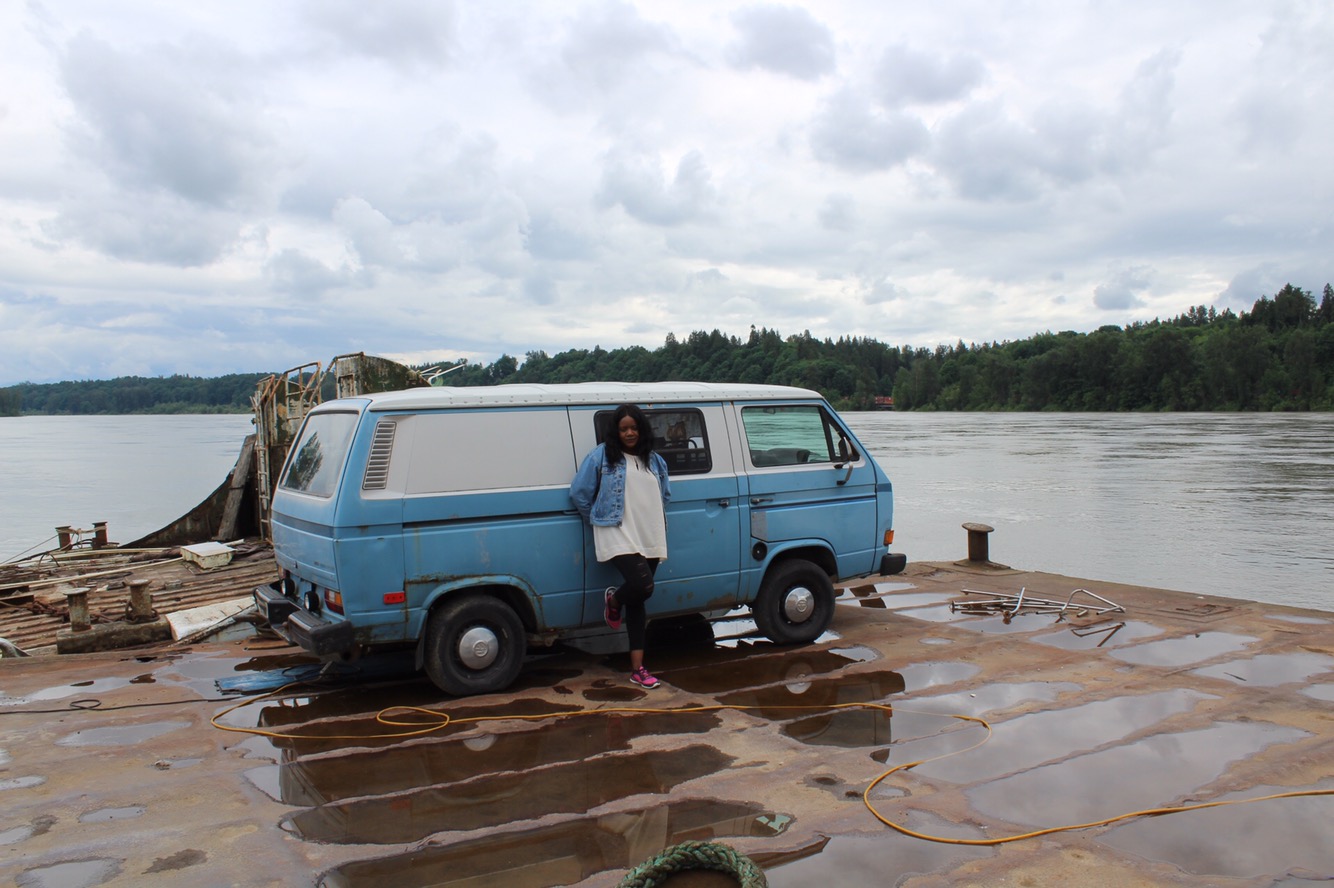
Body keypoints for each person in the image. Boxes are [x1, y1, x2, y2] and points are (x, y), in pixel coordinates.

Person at [570, 404, 671, 689]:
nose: (629, 433)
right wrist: (597, 518)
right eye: (623, 428)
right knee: (643, 586)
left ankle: (638, 669)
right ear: (615, 430)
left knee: (639, 599)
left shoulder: (654, 460)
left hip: (648, 532)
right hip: (616, 530)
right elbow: (579, 492)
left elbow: (665, 494)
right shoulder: (602, 455)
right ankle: (613, 601)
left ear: (641, 429)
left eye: (633, 428)